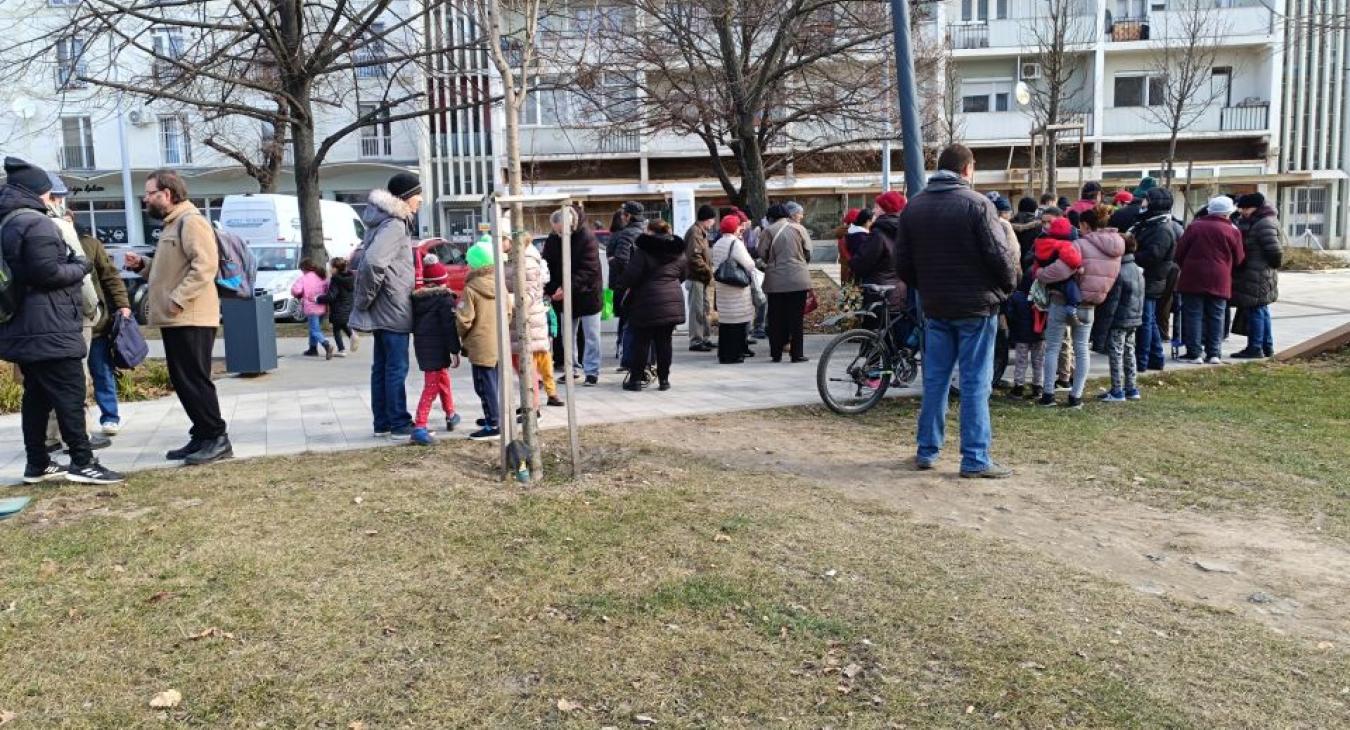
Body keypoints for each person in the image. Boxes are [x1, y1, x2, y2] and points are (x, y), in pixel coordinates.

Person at [895, 144, 1018, 478]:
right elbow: (1000, 256)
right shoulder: (977, 205)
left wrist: (926, 286)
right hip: (976, 306)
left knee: (935, 379)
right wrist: (1006, 288)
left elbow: (902, 263)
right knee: (976, 381)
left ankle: (927, 449)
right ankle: (975, 457)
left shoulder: (914, 207)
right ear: (968, 169)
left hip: (935, 305)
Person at [0, 157, 123, 484]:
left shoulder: (8, 221)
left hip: (26, 326)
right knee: (70, 394)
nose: (53, 199)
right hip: (50, 326)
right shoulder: (37, 223)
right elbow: (48, 272)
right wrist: (81, 266)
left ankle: (37, 464)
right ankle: (83, 462)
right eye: (49, 193)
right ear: (38, 192)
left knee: (36, 398)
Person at [123, 168, 230, 465]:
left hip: (190, 315)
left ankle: (216, 437)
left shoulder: (191, 221)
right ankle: (202, 435)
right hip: (177, 316)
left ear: (166, 194)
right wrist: (143, 266)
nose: (146, 199)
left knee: (194, 379)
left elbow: (205, 266)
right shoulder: (172, 224)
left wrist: (177, 299)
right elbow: (172, 269)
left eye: (150, 194)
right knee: (183, 380)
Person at [350, 172, 420, 439]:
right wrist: (366, 298)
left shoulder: (383, 222)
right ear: (405, 197)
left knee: (382, 366)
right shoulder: (394, 225)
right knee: (396, 367)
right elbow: (373, 263)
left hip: (386, 305)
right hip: (393, 306)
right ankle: (399, 423)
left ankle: (383, 423)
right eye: (417, 194)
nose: (421, 199)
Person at [1037, 207, 1124, 407]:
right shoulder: (1117, 248)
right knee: (1082, 349)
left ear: (1085, 225)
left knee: (1052, 348)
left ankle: (1048, 394)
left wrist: (1040, 273)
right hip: (1090, 305)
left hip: (1062, 301)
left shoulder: (1079, 244)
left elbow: (1059, 271)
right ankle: (1076, 396)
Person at [67, 210, 132, 436]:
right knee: (75, 377)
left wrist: (123, 304)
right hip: (67, 325)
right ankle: (80, 423)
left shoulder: (91, 245)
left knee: (102, 371)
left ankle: (110, 416)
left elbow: (110, 277)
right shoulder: (48, 245)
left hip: (96, 323)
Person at [618, 219, 687, 390]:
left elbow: (630, 277)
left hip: (646, 302)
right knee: (665, 342)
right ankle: (664, 380)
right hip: (671, 300)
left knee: (642, 342)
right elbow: (684, 274)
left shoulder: (642, 251)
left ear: (649, 231)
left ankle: (635, 380)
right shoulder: (678, 251)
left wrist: (622, 285)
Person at [1175, 196, 1245, 363]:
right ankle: (1214, 353)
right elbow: (1239, 258)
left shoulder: (1194, 227)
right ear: (1228, 213)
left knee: (1193, 315)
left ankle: (1194, 353)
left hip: (1193, 277)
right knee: (1217, 315)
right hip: (1220, 278)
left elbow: (1179, 253)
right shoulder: (1233, 231)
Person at [457, 243, 512, 441]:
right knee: (493, 382)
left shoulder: (471, 288)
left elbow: (464, 319)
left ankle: (493, 423)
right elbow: (509, 312)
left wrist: (462, 335)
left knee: (482, 385)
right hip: (499, 341)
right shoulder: (500, 284)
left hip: (480, 343)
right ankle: (494, 415)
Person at [543, 206, 604, 386]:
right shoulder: (553, 239)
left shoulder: (587, 237)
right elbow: (547, 265)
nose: (559, 234)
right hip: (564, 295)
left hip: (587, 294)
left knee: (591, 335)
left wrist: (565, 288)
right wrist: (553, 288)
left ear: (570, 225)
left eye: (561, 231)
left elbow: (589, 270)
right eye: (556, 231)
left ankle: (592, 371)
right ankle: (571, 369)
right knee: (567, 335)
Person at [504, 230, 561, 409]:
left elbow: (528, 294)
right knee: (527, 365)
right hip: (521, 321)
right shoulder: (512, 257)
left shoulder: (526, 261)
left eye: (502, 239)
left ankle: (535, 403)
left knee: (537, 362)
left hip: (529, 321)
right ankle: (535, 398)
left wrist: (507, 300)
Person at [409, 255, 462, 445]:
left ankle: (450, 413)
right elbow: (449, 328)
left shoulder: (416, 300)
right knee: (431, 387)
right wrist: (455, 350)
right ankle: (420, 426)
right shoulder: (444, 300)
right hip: (438, 348)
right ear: (442, 281)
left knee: (442, 379)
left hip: (423, 347)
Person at [1130, 187, 1181, 371]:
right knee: (1148, 320)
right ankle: (1154, 357)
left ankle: (1143, 360)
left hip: (1151, 279)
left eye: (1145, 201)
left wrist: (1131, 254)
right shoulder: (1149, 224)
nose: (1142, 204)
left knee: (1145, 321)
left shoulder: (1161, 229)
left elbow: (1153, 255)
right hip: (1148, 278)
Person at [1231, 192, 1283, 359]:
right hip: (1257, 272)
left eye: (1246, 208)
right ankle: (1266, 346)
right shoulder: (1260, 220)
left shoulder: (1263, 223)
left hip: (1258, 273)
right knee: (1261, 309)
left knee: (1256, 310)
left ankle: (1255, 347)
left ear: (1256, 207)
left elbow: (1275, 251)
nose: (1243, 211)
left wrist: (1270, 266)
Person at [760, 202, 813, 363]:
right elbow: (808, 252)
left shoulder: (768, 231)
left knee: (776, 318)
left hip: (775, 282)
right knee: (796, 319)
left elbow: (762, 254)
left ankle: (776, 353)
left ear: (771, 218)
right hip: (798, 279)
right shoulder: (799, 229)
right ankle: (797, 354)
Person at [1095, 235, 1145, 402]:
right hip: (1134, 318)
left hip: (1119, 319)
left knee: (1116, 354)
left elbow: (1113, 303)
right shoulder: (1137, 270)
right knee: (1129, 352)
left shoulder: (1119, 272)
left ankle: (1117, 390)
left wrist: (1104, 324)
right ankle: (1131, 387)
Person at [710, 214, 756, 364]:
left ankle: (724, 354)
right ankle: (735, 355)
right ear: (734, 228)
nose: (740, 228)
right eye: (738, 225)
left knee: (726, 323)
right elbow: (749, 264)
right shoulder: (735, 243)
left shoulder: (717, 243)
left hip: (723, 286)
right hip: (736, 287)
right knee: (737, 322)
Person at [854, 191, 907, 314]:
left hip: (879, 291)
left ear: (885, 209)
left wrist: (853, 262)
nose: (873, 210)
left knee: (877, 329)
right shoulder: (905, 230)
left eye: (877, 207)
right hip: (900, 290)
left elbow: (862, 262)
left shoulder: (879, 233)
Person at [607, 201, 646, 372]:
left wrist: (623, 278)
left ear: (628, 216)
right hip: (645, 286)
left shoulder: (625, 235)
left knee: (627, 323)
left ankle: (626, 358)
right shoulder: (646, 232)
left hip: (628, 287)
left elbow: (621, 260)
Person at [684, 204, 717, 352]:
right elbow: (694, 257)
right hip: (696, 276)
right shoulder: (695, 232)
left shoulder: (700, 232)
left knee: (704, 309)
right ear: (707, 219)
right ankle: (696, 340)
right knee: (697, 310)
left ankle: (704, 337)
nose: (714, 223)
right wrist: (708, 271)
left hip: (701, 277)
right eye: (712, 219)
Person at [291, 258, 335, 360]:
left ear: (304, 268)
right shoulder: (322, 276)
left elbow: (295, 290)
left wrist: (298, 294)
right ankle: (313, 348)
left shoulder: (303, 279)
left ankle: (326, 345)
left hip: (311, 308)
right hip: (322, 306)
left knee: (315, 330)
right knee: (314, 328)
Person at [325, 257, 356, 356]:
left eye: (331, 267)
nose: (329, 269)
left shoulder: (335, 279)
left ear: (335, 268)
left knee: (336, 329)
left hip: (338, 307)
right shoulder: (350, 277)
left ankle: (341, 350)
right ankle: (352, 335)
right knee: (343, 324)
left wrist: (318, 298)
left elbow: (331, 296)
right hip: (348, 306)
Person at [1011, 197, 1041, 269]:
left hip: (1013, 263)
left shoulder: (1008, 223)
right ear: (1034, 209)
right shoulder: (1040, 225)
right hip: (1032, 263)